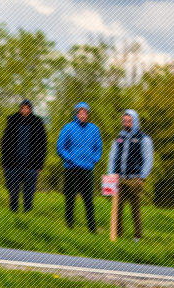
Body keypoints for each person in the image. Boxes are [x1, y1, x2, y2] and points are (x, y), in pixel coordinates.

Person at [56, 102, 103, 232]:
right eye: (80, 113)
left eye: (85, 113)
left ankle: (92, 227)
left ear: (88, 114)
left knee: (89, 199)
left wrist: (94, 159)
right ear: (76, 114)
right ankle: (69, 225)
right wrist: (70, 159)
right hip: (71, 168)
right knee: (70, 198)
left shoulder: (94, 129)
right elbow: (60, 147)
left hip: (87, 168)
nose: (82, 115)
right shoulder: (68, 128)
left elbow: (98, 147)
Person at [109, 109, 154, 240]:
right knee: (117, 207)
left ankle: (137, 236)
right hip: (119, 178)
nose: (126, 123)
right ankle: (117, 234)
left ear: (135, 122)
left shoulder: (143, 139)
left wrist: (142, 177)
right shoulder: (119, 138)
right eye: (124, 121)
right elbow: (112, 157)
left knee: (135, 208)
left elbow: (148, 159)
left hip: (134, 178)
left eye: (129, 121)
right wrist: (111, 174)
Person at [0, 99, 47, 212]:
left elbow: (43, 145)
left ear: (31, 109)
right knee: (13, 195)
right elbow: (4, 143)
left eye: (27, 108)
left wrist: (40, 165)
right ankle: (13, 217)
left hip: (31, 165)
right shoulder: (12, 121)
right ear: (20, 109)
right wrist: (4, 162)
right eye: (23, 108)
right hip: (12, 164)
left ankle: (27, 217)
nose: (25, 110)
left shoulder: (38, 123)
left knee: (29, 196)